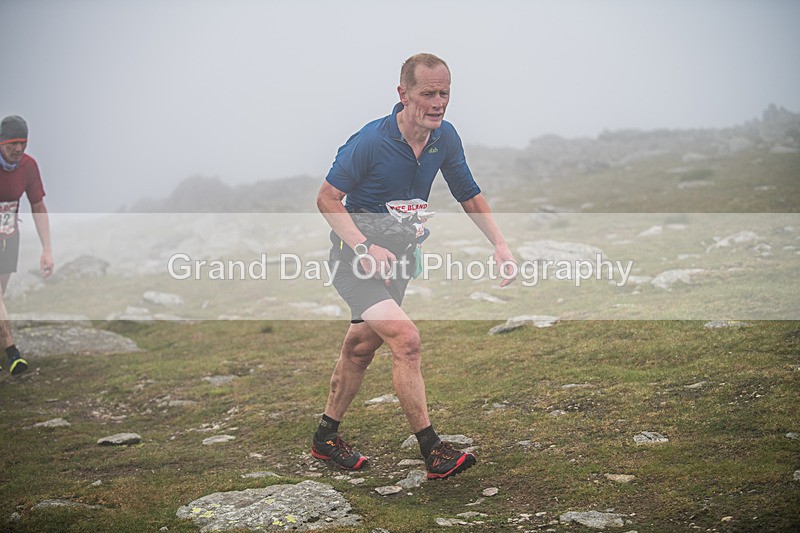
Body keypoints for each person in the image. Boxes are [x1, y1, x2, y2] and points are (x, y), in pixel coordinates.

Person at [313, 53, 516, 480]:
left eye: (445, 93)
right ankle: (434, 452)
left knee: (360, 349)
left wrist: (499, 243)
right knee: (406, 340)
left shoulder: (445, 138)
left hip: (400, 261)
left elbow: (469, 194)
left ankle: (324, 438)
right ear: (403, 94)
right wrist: (366, 245)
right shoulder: (369, 142)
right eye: (428, 93)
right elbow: (327, 199)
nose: (439, 102)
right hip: (357, 261)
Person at [0, 115, 54, 375]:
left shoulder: (28, 167)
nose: (19, 149)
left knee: (1, 295)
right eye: (13, 144)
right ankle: (12, 352)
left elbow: (38, 206)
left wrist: (47, 249)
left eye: (23, 143)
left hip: (9, 239)